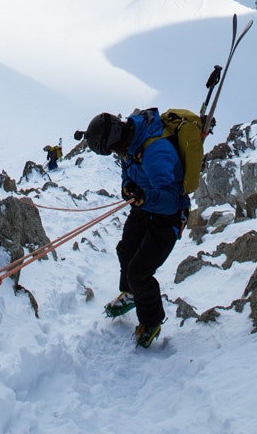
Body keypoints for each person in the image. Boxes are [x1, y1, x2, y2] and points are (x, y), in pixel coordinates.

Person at [81, 109, 188, 348]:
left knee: (139, 271)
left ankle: (151, 322)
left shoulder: (154, 153)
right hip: (146, 204)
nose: (115, 154)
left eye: (112, 150)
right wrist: (128, 186)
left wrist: (144, 197)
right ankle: (131, 293)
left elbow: (171, 199)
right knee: (126, 250)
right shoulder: (131, 141)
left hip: (168, 215)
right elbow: (128, 169)